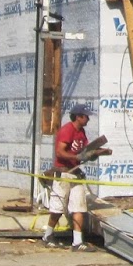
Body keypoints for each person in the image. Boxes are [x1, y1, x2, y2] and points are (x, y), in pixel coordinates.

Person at [41, 104, 96, 249]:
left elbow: (83, 152)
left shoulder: (81, 132)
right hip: (63, 173)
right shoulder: (67, 130)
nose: (88, 119)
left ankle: (77, 242)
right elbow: (60, 152)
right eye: (86, 116)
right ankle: (48, 235)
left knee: (79, 207)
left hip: (75, 173)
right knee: (57, 209)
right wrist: (77, 156)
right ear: (78, 117)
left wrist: (94, 154)